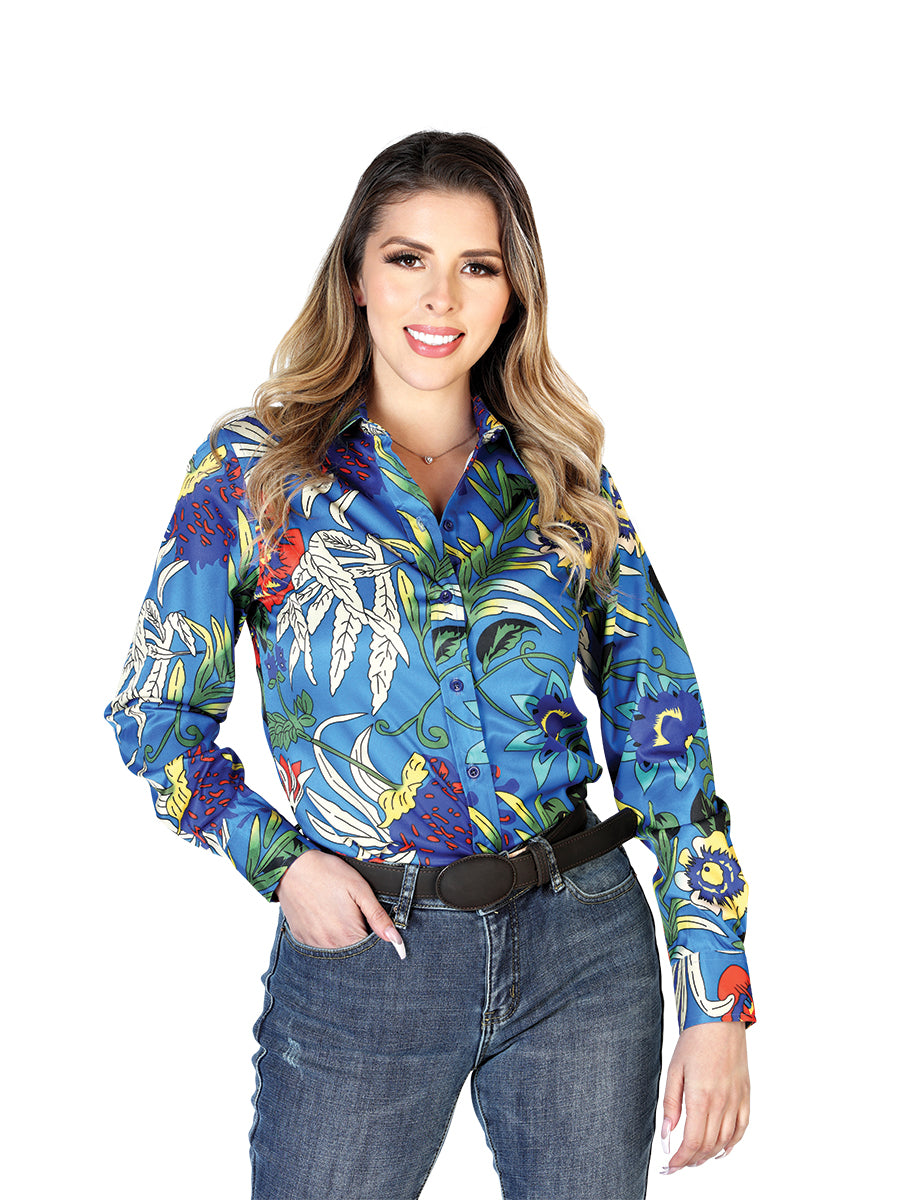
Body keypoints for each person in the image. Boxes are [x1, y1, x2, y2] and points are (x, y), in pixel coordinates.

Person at [104, 130, 754, 1200]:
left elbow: (665, 731)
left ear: (512, 293)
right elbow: (155, 712)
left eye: (477, 266)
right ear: (356, 276)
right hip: (366, 949)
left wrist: (716, 996)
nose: (440, 296)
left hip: (584, 946)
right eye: (408, 258)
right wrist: (281, 863)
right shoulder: (255, 473)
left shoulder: (561, 476)